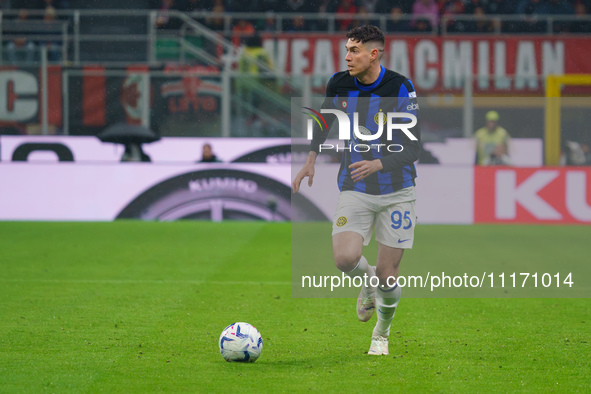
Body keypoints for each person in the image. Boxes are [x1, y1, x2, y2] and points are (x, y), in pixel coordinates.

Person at [292, 25, 421, 356]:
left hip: (398, 190)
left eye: (354, 51)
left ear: (373, 54)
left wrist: (378, 163)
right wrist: (310, 160)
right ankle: (367, 280)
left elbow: (414, 146)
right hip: (355, 186)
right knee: (345, 259)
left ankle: (381, 333)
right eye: (347, 50)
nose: (347, 57)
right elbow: (323, 120)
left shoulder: (400, 87)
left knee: (389, 277)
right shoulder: (339, 83)